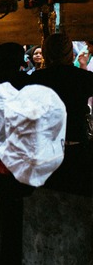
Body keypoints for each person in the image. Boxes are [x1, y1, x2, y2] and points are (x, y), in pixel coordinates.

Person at [24, 33, 93, 194]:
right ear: (70, 53)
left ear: (47, 53)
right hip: (77, 149)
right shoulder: (83, 78)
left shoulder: (37, 78)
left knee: (48, 201)